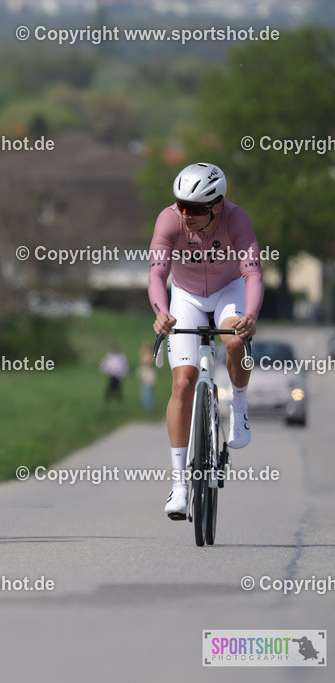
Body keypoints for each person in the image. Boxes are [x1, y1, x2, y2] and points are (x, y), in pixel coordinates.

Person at [149, 162, 261, 521]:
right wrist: (161, 312)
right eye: (181, 204)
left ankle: (239, 407)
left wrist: (251, 317)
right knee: (182, 383)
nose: (186, 214)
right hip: (187, 296)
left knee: (232, 342)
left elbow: (252, 272)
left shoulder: (237, 219)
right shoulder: (169, 220)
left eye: (195, 208)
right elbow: (157, 273)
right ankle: (179, 485)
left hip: (229, 291)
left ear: (217, 205)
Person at [137, 341, 156, 411]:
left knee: (148, 391)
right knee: (144, 390)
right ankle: (145, 406)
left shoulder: (151, 356)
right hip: (145, 373)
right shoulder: (144, 356)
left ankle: (149, 407)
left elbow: (148, 362)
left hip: (148, 374)